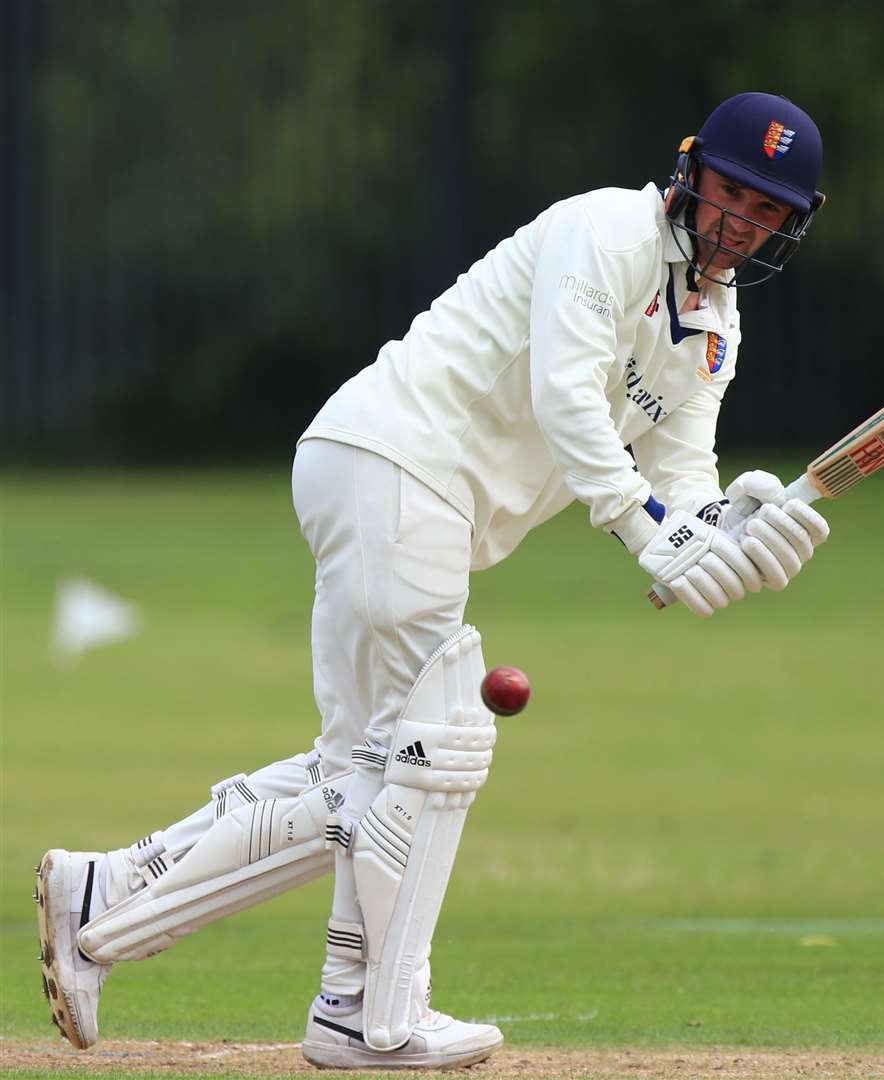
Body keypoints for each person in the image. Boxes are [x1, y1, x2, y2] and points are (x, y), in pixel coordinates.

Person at [36, 91, 831, 1070]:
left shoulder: (714, 326)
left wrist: (721, 525)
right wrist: (640, 530)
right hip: (394, 462)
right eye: (731, 195)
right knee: (432, 747)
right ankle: (378, 1018)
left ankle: (116, 900)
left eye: (765, 212)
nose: (739, 224)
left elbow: (679, 471)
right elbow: (566, 393)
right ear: (691, 175)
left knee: (359, 771)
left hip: (415, 498)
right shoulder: (607, 231)